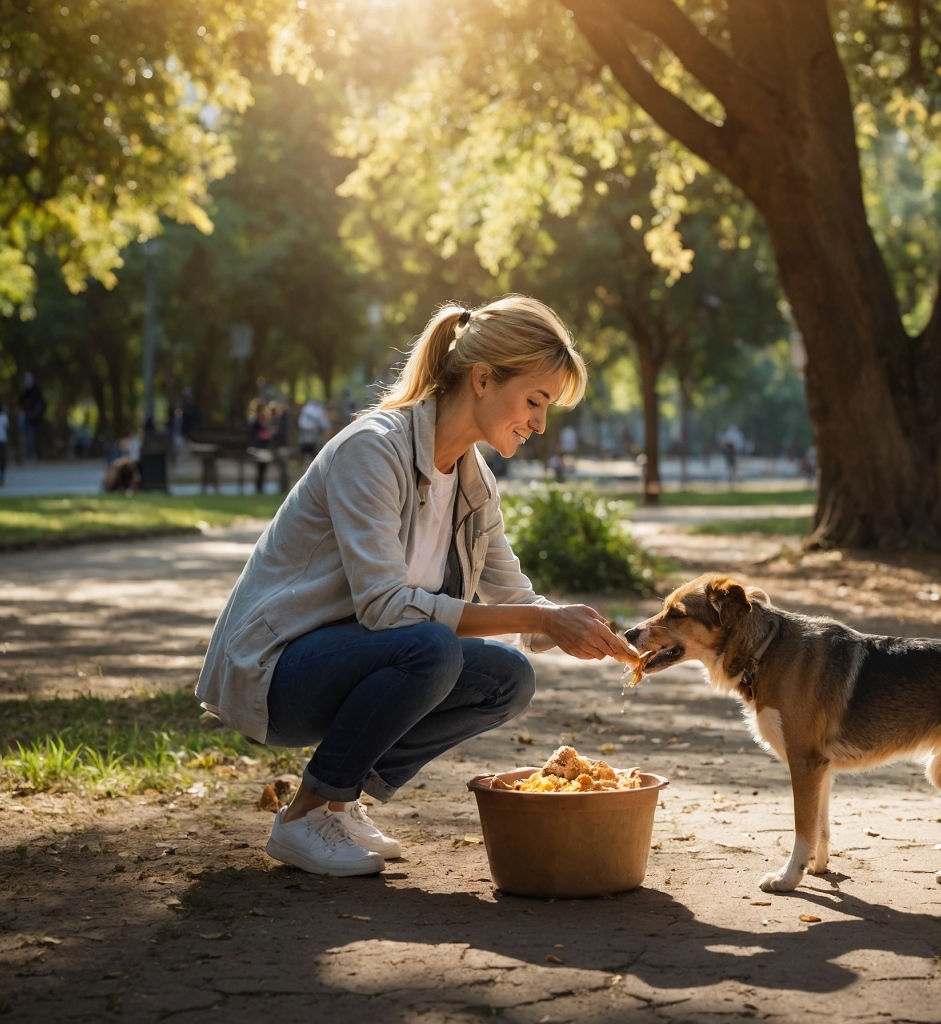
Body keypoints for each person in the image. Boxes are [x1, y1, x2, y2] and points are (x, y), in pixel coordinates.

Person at [196, 296, 638, 877]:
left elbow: (515, 600)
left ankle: (338, 800)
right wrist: (539, 621)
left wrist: (591, 631)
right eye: (534, 401)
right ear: (482, 378)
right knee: (431, 647)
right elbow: (386, 609)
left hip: (353, 664)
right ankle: (303, 818)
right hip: (277, 674)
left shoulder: (474, 482)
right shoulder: (372, 449)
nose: (539, 423)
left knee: (508, 678)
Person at [18, 372, 46, 463]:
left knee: (31, 438)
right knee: (26, 439)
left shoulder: (36, 392)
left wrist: (35, 413)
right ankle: (27, 456)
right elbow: (20, 404)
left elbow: (40, 405)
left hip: (34, 420)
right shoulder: (26, 392)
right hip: (26, 419)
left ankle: (31, 456)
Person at [297, 398, 331, 466]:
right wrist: (312, 427)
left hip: (315, 440)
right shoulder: (307, 409)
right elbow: (302, 423)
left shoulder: (318, 410)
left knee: (316, 458)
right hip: (306, 440)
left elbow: (325, 424)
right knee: (305, 457)